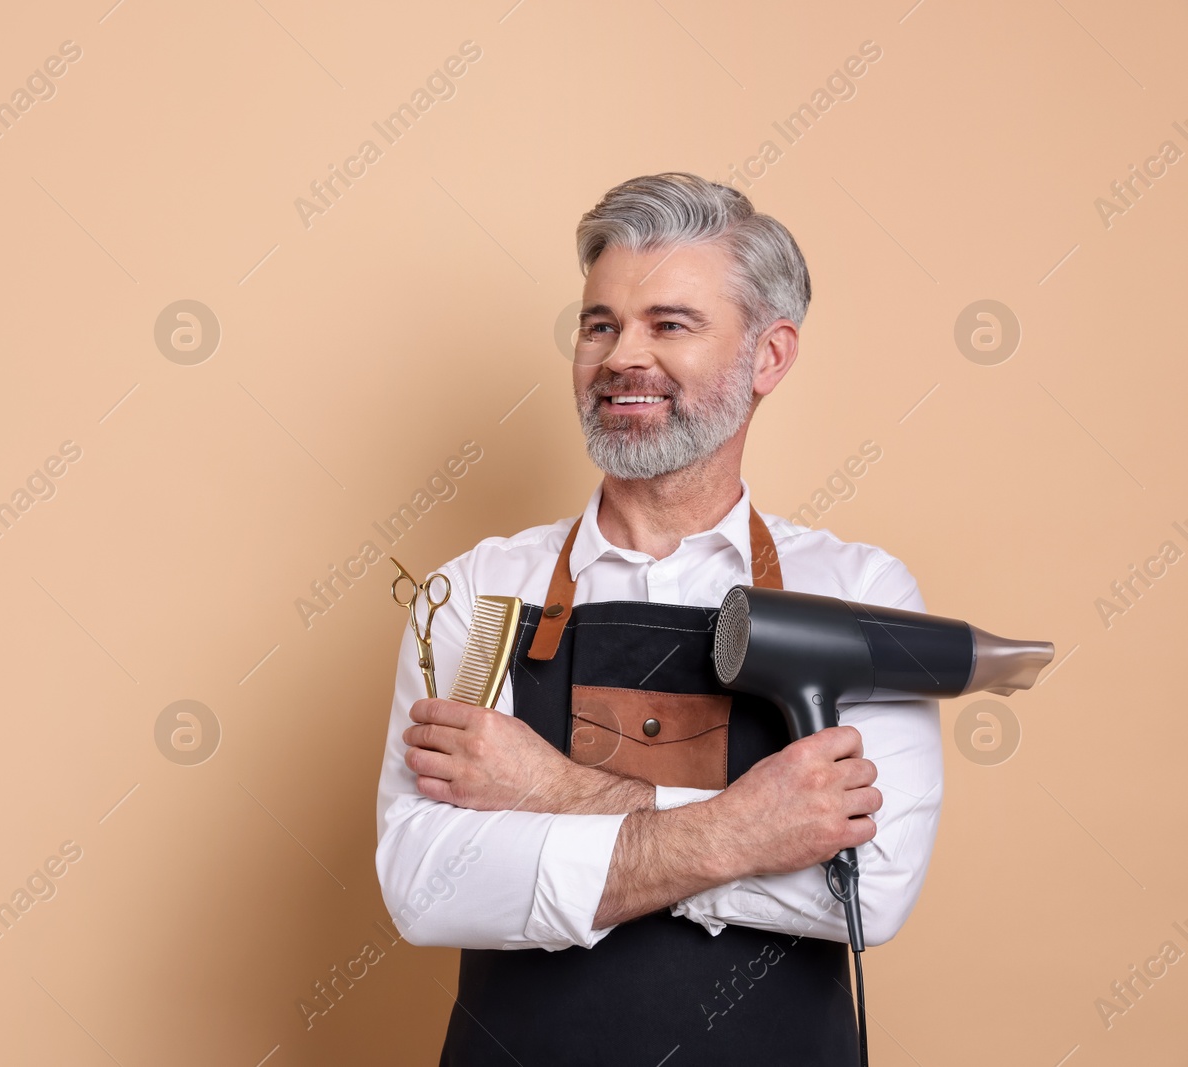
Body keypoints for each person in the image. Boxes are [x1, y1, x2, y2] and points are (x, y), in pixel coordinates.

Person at [373, 173, 942, 1065]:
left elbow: (869, 890)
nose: (619, 356)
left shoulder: (861, 594)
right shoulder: (481, 591)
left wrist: (554, 793)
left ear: (770, 356)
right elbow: (425, 884)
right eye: (599, 324)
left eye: (668, 324)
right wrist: (742, 831)